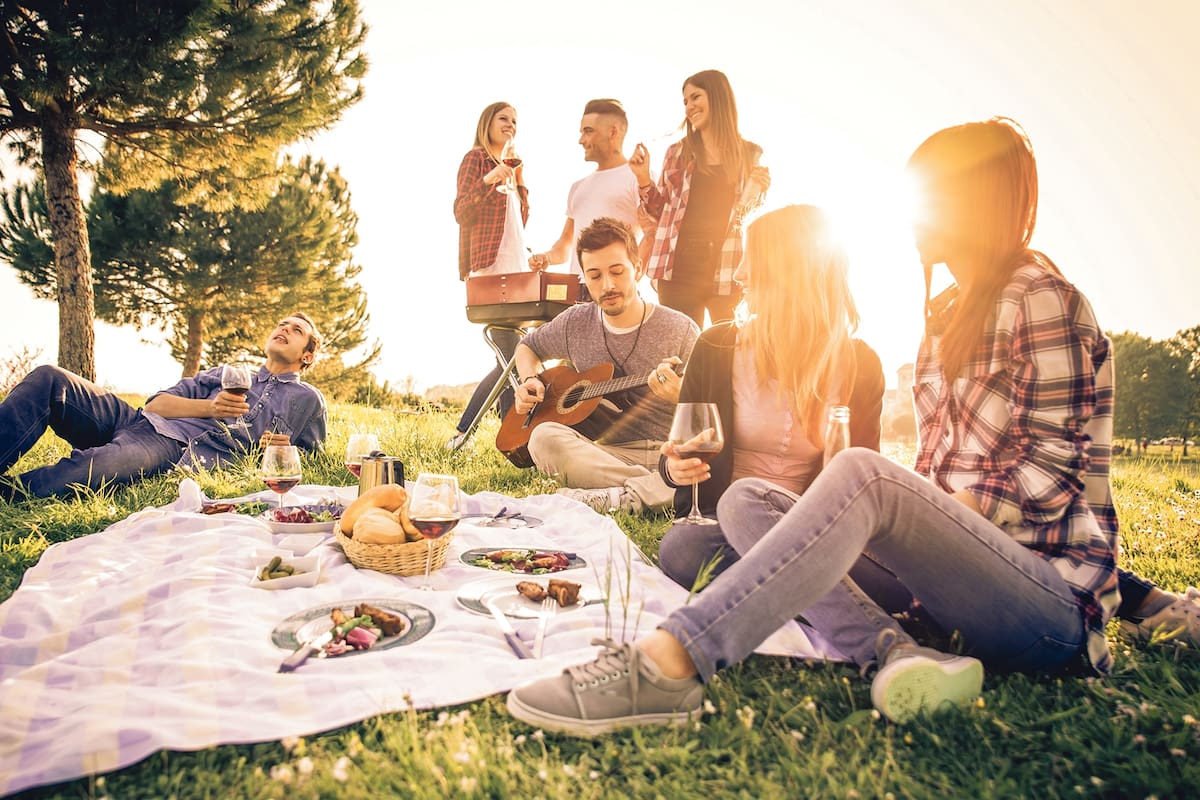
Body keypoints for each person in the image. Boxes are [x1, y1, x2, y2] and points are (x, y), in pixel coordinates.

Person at [506, 118, 1120, 734]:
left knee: (860, 474)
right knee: (742, 502)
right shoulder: (950, 315)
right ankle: (897, 650)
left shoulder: (1040, 297)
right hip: (941, 594)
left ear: (972, 203)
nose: (912, 217)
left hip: (1046, 611)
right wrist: (909, 529)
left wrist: (919, 519)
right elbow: (940, 472)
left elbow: (1047, 473)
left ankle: (670, 663)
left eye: (928, 196)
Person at [655, 204, 889, 594]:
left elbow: (863, 480)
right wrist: (674, 468)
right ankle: (820, 592)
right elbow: (678, 454)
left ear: (791, 271)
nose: (739, 273)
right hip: (724, 526)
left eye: (752, 258)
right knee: (682, 548)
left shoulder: (860, 364)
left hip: (816, 529)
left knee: (878, 571)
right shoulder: (715, 347)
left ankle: (782, 591)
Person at [0, 313, 327, 500]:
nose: (284, 328)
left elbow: (313, 457)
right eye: (282, 324)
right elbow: (156, 405)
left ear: (307, 355)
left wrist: (283, 450)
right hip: (136, 420)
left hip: (170, 445)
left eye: (296, 330)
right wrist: (210, 409)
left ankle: (8, 494)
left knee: (93, 466)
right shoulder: (228, 374)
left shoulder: (307, 400)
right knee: (52, 380)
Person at [512, 217, 699, 515]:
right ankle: (659, 491)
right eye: (595, 275)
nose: (608, 285)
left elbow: (712, 412)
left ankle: (623, 496)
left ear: (637, 269)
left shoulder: (681, 329)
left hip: (666, 453)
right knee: (543, 438)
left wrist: (681, 397)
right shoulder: (576, 322)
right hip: (605, 454)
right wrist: (529, 379)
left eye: (617, 271)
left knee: (705, 463)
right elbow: (527, 346)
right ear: (584, 277)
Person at [629, 69, 769, 328]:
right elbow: (660, 214)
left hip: (727, 267)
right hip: (678, 269)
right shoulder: (678, 153)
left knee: (727, 347)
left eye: (695, 97)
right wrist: (642, 179)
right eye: (685, 102)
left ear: (717, 97)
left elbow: (748, 218)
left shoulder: (750, 154)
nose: (689, 106)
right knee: (681, 352)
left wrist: (755, 194)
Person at [448, 101, 531, 450]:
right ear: (487, 123)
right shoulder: (476, 159)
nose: (510, 124)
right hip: (489, 269)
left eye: (515, 120)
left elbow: (520, 222)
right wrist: (490, 178)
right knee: (514, 354)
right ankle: (474, 434)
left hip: (517, 270)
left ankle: (503, 439)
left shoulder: (511, 170)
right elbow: (461, 210)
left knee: (513, 355)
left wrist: (520, 183)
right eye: (503, 118)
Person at [528, 98, 650, 279]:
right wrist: (546, 258)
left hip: (616, 294)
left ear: (613, 132)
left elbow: (652, 233)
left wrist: (630, 278)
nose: (581, 140)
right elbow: (565, 245)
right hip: (577, 295)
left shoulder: (640, 177)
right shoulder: (578, 187)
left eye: (588, 131)